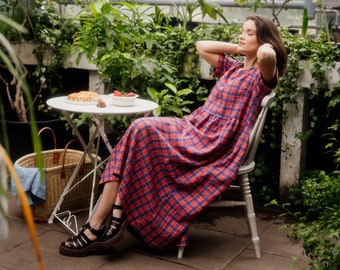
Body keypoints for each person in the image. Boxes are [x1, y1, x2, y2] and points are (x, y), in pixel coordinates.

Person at [59, 15, 287, 257]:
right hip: (194, 127)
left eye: (249, 33)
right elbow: (201, 45)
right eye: (241, 31)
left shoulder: (263, 77)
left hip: (212, 142)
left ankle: (99, 224)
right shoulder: (233, 68)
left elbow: (267, 57)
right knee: (140, 130)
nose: (241, 35)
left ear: (264, 40)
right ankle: (108, 219)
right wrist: (242, 47)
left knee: (141, 129)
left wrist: (263, 44)